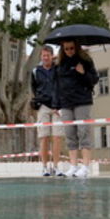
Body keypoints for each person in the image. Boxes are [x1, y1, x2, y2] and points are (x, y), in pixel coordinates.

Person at [54, 39, 99, 178]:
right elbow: (57, 86)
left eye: (72, 48)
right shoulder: (60, 64)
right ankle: (73, 166)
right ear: (62, 49)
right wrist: (56, 105)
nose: (69, 51)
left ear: (77, 47)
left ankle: (85, 166)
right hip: (66, 103)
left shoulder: (85, 61)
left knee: (83, 132)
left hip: (82, 101)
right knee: (69, 134)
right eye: (66, 49)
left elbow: (94, 79)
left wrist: (83, 73)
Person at [31, 46, 64, 177]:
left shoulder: (58, 69)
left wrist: (59, 104)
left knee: (57, 138)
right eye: (43, 55)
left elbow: (61, 86)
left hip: (57, 107)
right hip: (43, 106)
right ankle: (44, 167)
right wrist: (39, 100)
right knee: (43, 138)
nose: (45, 58)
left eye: (48, 55)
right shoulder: (35, 71)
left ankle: (56, 167)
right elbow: (34, 88)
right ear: (41, 57)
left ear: (52, 56)